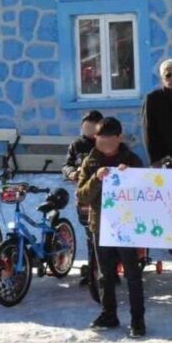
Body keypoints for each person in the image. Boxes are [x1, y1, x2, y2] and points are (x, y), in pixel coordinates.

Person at [76, 117, 147, 338]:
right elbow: (82, 195)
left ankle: (138, 320)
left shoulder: (132, 159)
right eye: (101, 139)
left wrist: (131, 177)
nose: (105, 144)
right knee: (105, 275)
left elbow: (146, 192)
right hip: (102, 226)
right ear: (95, 138)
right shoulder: (90, 162)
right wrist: (97, 179)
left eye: (110, 140)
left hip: (127, 227)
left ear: (119, 138)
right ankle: (109, 314)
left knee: (132, 274)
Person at [63, 110, 102, 286]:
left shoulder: (104, 144)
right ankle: (93, 269)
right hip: (84, 195)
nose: (88, 129)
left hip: (104, 196)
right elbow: (67, 165)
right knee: (90, 233)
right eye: (85, 126)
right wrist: (71, 172)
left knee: (105, 234)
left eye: (92, 126)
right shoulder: (76, 145)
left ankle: (108, 269)